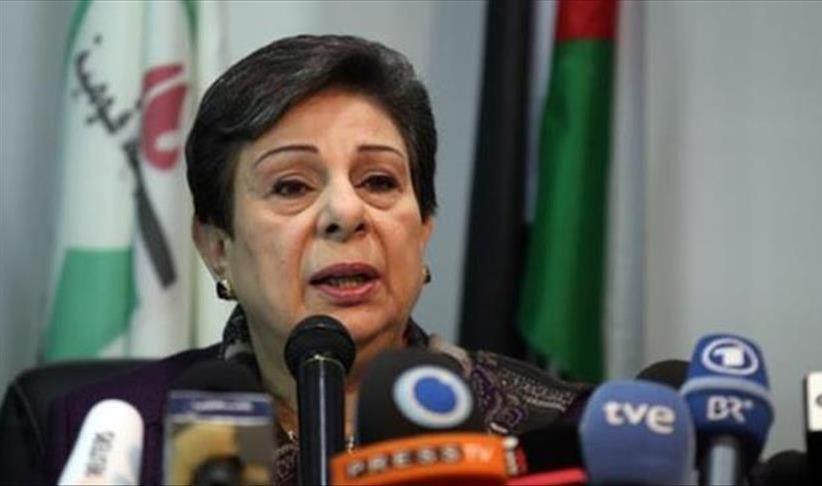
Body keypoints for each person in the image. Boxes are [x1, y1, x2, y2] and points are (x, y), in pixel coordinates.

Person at [46, 35, 593, 485]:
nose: (346, 212)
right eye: (291, 186)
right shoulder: (115, 437)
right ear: (217, 247)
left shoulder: (556, 431)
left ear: (423, 228)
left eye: (378, 181)